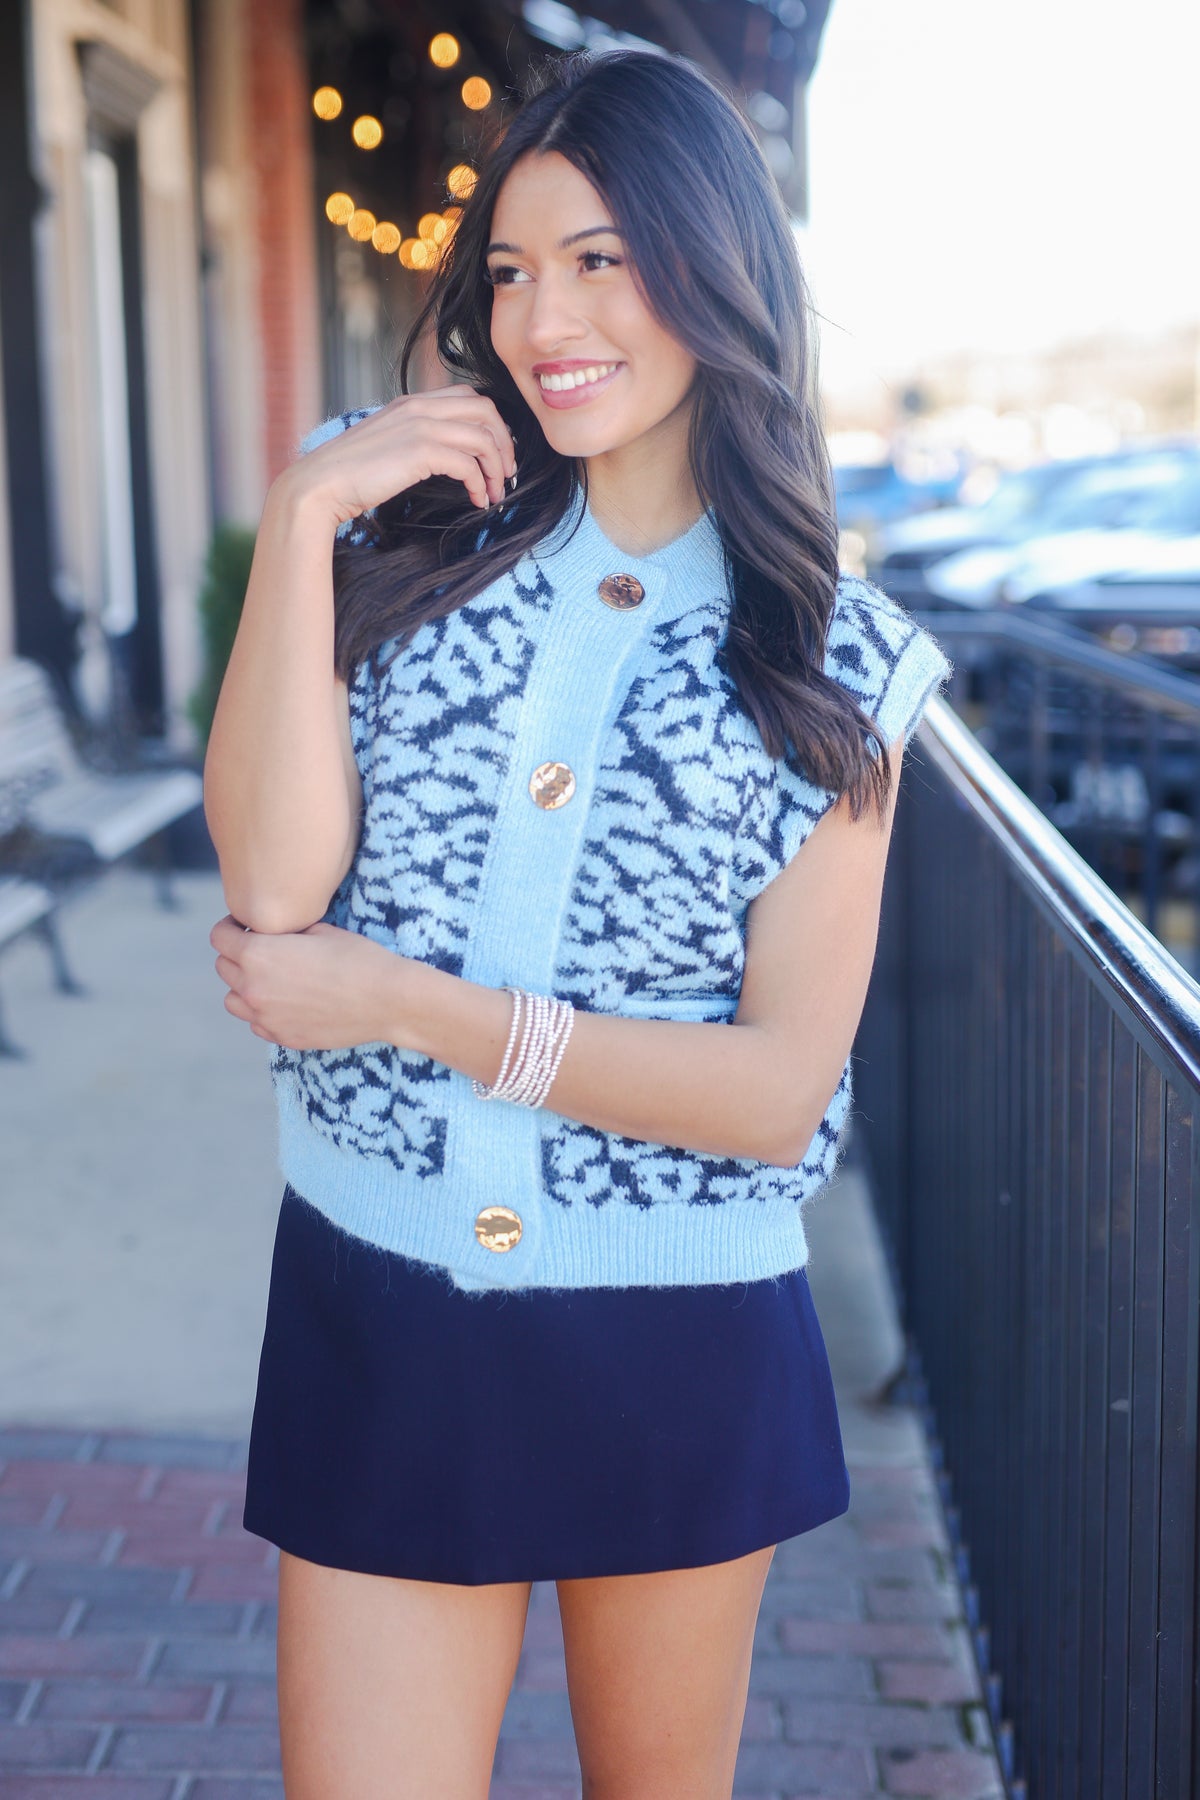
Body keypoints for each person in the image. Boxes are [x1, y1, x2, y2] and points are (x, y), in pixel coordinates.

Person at [204, 43, 951, 1800]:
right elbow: (271, 888)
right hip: (382, 1294)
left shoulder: (836, 662)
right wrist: (306, 513)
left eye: (602, 259)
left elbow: (778, 1097)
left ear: (713, 272)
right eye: (515, 269)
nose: (547, 318)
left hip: (676, 1336)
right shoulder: (392, 522)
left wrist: (410, 1003)